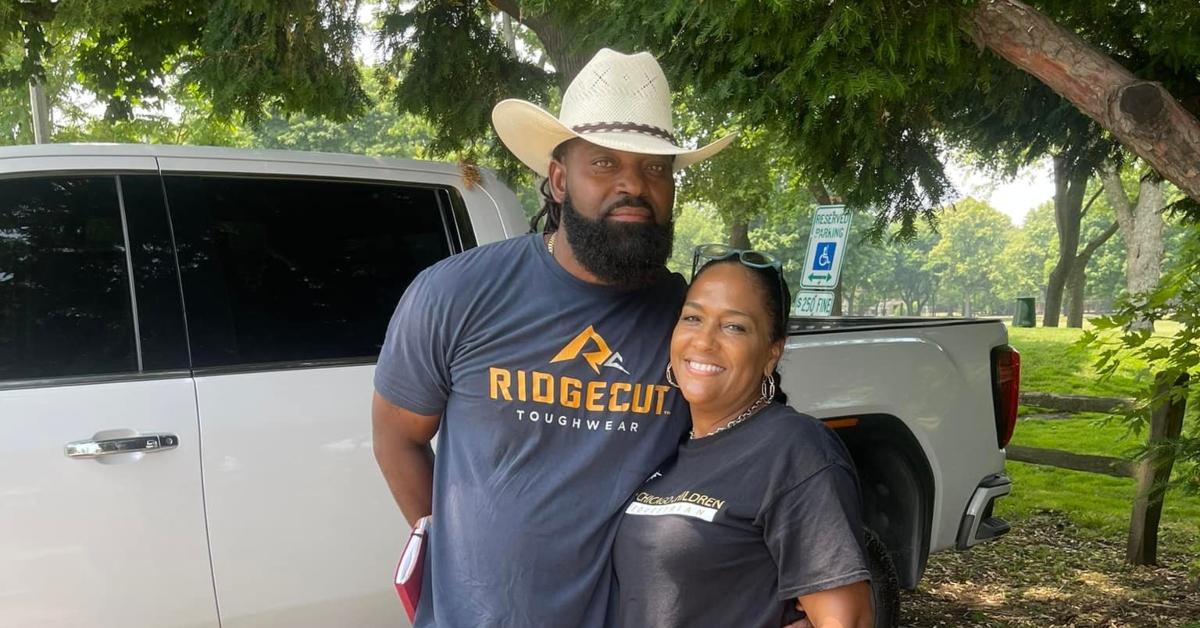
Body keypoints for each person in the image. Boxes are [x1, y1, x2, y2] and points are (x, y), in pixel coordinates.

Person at [371, 48, 735, 627]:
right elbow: (397, 437)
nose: (634, 186)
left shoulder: (693, 325)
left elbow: (745, 460)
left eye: (655, 168)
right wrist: (452, 553)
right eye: (605, 164)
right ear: (560, 179)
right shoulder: (456, 295)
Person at [612, 244, 875, 628]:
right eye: (692, 318)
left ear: (771, 353)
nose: (703, 341)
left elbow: (847, 621)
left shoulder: (793, 449)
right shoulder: (670, 444)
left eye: (734, 326)